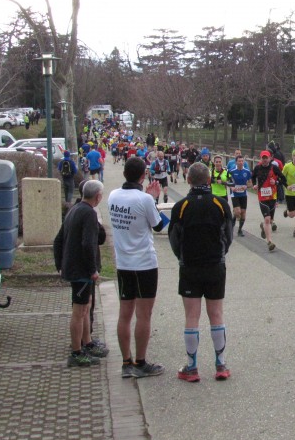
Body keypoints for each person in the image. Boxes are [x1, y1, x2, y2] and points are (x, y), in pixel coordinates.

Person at [168, 162, 233, 382]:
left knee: (191, 316)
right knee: (216, 314)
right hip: (215, 266)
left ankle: (192, 367)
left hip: (190, 267)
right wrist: (220, 254)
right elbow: (228, 235)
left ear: (188, 180)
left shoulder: (181, 206)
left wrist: (182, 258)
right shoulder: (220, 204)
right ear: (209, 180)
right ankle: (221, 365)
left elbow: (174, 238)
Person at [108, 157, 168, 378]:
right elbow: (159, 225)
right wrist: (154, 199)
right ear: (143, 176)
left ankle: (126, 362)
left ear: (125, 173)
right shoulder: (145, 199)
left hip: (123, 263)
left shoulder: (113, 196)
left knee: (125, 314)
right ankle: (141, 362)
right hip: (144, 264)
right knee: (144, 315)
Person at [53, 180, 109, 367]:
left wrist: (60, 263)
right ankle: (76, 352)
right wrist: (92, 269)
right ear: (98, 196)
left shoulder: (74, 209)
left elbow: (58, 239)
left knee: (86, 306)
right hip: (81, 270)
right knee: (79, 311)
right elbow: (88, 243)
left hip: (74, 266)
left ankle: (88, 342)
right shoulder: (89, 213)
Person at [252, 150, 286, 252]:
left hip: (272, 197)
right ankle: (269, 242)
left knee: (270, 221)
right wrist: (254, 185)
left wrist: (275, 182)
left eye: (266, 158)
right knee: (267, 219)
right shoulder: (257, 168)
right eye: (263, 158)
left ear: (270, 158)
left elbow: (283, 179)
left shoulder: (274, 168)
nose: (265, 160)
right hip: (262, 198)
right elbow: (253, 177)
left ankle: (263, 226)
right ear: (260, 158)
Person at [230, 155, 252, 237]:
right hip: (235, 194)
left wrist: (246, 186)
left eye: (242, 161)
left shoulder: (247, 171)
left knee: (243, 213)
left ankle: (239, 230)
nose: (241, 162)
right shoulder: (232, 171)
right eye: (239, 161)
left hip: (243, 194)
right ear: (236, 162)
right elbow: (228, 181)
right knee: (237, 212)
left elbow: (250, 183)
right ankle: (231, 225)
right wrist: (232, 187)